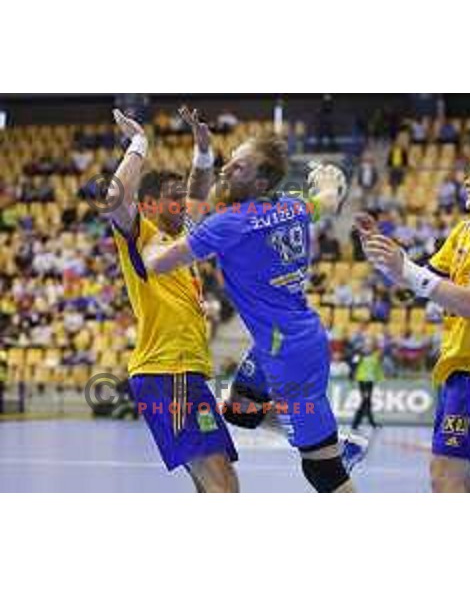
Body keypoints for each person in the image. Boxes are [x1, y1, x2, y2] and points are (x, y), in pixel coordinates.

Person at [145, 133, 358, 493]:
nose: (226, 168)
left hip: (289, 353)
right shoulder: (293, 205)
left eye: (238, 166)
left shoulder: (229, 224)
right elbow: (328, 199)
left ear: (259, 181)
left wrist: (151, 235)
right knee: (239, 410)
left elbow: (156, 263)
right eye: (230, 159)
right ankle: (330, 439)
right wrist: (328, 180)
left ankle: (330, 448)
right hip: (278, 339)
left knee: (322, 472)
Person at [357, 143, 470, 493]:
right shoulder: (465, 231)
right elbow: (418, 283)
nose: (468, 182)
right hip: (457, 366)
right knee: (456, 479)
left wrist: (406, 269)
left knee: (445, 477)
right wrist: (383, 255)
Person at [103, 109, 239, 493]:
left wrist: (203, 149)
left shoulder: (182, 245)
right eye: (171, 198)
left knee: (212, 482)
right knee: (223, 486)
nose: (183, 204)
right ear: (146, 205)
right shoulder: (142, 235)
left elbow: (198, 191)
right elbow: (114, 198)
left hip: (187, 372)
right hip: (167, 373)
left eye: (182, 198)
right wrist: (139, 143)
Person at [351, 345, 383, 431]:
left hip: (370, 382)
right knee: (365, 402)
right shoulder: (359, 357)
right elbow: (353, 364)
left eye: (369, 347)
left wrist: (380, 378)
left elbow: (377, 369)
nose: (367, 349)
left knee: (366, 402)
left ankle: (364, 423)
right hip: (363, 382)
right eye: (365, 348)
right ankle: (357, 423)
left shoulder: (374, 358)